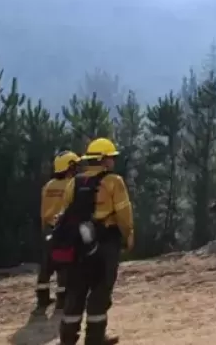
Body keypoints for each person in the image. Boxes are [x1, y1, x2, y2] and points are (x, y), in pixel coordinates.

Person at [58, 138, 133, 345]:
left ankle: (67, 339)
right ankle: (95, 339)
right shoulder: (114, 182)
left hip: (78, 245)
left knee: (75, 291)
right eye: (111, 158)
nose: (113, 162)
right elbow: (124, 215)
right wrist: (128, 236)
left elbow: (64, 213)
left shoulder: (74, 183)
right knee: (100, 293)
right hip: (106, 243)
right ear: (103, 160)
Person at [35, 150, 80, 313]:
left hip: (48, 227)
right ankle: (62, 299)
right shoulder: (72, 184)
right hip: (63, 229)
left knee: (46, 266)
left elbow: (43, 210)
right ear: (70, 166)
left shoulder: (48, 186)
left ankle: (42, 298)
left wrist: (43, 228)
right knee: (64, 264)